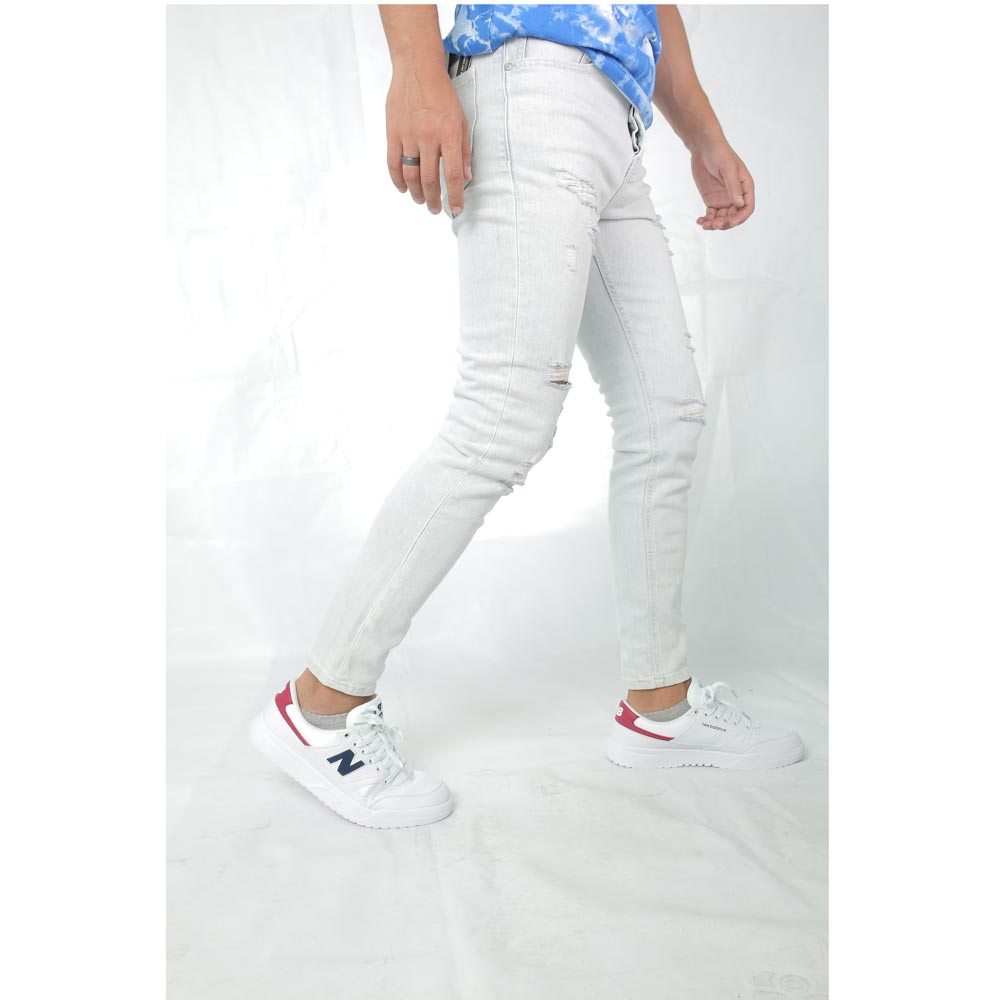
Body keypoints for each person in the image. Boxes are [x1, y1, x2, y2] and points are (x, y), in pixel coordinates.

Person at [250, 4, 805, 830]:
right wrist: (417, 69)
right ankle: (318, 706)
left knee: (668, 415)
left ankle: (659, 707)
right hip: (533, 81)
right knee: (504, 413)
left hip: (616, 119)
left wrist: (706, 138)